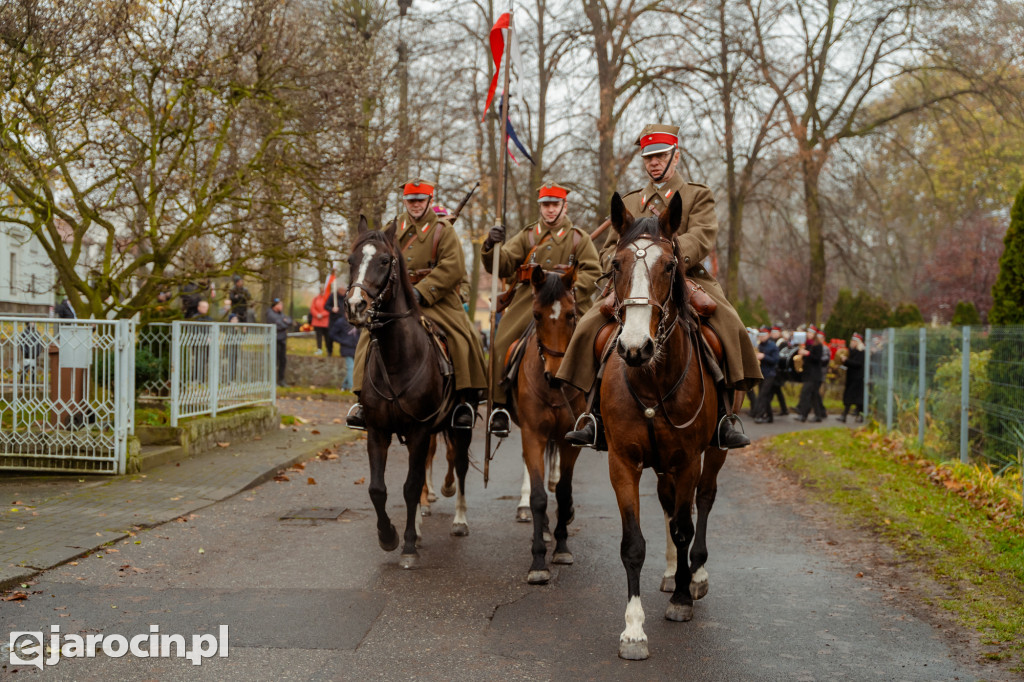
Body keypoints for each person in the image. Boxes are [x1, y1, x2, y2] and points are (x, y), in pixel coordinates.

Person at [557, 124, 762, 449]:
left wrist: (666, 254)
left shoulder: (697, 195)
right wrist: (625, 260)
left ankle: (725, 417)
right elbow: (610, 247)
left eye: (661, 155)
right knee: (587, 327)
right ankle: (592, 415)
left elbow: (703, 234)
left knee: (727, 324)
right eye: (649, 157)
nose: (654, 162)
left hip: (683, 275)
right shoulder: (628, 201)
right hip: (631, 281)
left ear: (675, 156)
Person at [346, 178, 488, 429]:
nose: (415, 205)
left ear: (429, 201)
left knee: (462, 336)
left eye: (420, 200)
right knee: (369, 336)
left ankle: (466, 398)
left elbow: (452, 267)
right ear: (405, 201)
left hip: (435, 298)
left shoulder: (443, 230)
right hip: (398, 298)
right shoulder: (393, 228)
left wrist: (422, 292)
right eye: (411, 200)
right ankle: (362, 400)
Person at [481, 183, 601, 436]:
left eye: (554, 205)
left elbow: (593, 271)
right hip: (532, 298)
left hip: (570, 300)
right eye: (546, 205)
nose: (549, 210)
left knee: (596, 343)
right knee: (502, 341)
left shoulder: (579, 237)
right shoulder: (527, 236)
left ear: (564, 206)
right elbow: (502, 266)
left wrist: (573, 293)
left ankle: (596, 410)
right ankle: (500, 406)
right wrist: (492, 245)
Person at [794, 324, 829, 422]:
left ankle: (803, 415)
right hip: (807, 373)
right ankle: (818, 416)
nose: (809, 334)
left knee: (805, 393)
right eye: (808, 332)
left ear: (814, 334)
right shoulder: (808, 344)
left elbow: (818, 359)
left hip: (814, 375)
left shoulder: (818, 346)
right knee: (814, 396)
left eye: (810, 333)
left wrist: (807, 354)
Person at [753, 326, 780, 423]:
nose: (761, 337)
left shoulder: (773, 346)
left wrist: (764, 356)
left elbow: (776, 360)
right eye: (760, 335)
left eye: (763, 335)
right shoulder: (759, 345)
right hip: (761, 373)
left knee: (763, 395)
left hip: (770, 374)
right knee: (765, 396)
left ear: (768, 334)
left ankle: (759, 415)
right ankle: (770, 417)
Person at [838, 332, 865, 422]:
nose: (852, 342)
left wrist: (847, 361)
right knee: (851, 397)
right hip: (851, 377)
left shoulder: (861, 352)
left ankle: (856, 415)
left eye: (854, 341)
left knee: (857, 399)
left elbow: (858, 364)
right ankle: (845, 415)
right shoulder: (851, 351)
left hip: (857, 378)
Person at [329, 307, 358, 391]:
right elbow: (332, 334)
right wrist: (342, 341)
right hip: (346, 348)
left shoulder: (356, 322)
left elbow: (360, 334)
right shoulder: (340, 322)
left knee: (353, 368)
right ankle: (351, 387)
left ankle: (344, 385)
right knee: (351, 367)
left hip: (355, 348)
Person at [267, 297, 293, 387]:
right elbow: (279, 324)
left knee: (283, 360)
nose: (281, 306)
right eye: (280, 305)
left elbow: (289, 321)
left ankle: (281, 380)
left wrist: (285, 322)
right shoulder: (270, 314)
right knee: (275, 360)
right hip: (275, 339)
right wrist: (284, 323)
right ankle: (272, 381)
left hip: (282, 339)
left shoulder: (281, 314)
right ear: (275, 305)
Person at [767, 325, 790, 416]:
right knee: (777, 391)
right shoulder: (771, 342)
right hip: (773, 370)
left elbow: (781, 356)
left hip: (778, 371)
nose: (773, 334)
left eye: (775, 332)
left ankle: (763, 409)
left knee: (771, 391)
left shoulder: (782, 343)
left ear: (779, 333)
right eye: (772, 332)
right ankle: (784, 409)